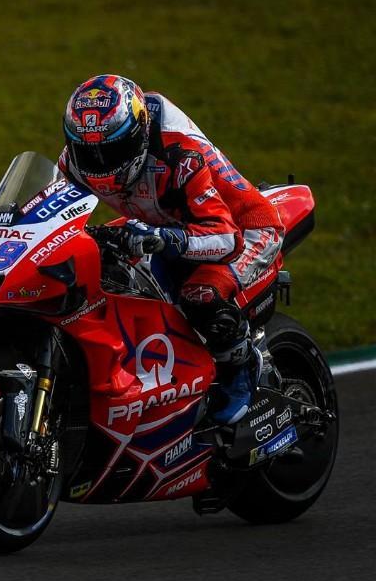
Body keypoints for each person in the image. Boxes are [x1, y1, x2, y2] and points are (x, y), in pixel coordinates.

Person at [57, 74, 283, 425]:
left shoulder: (179, 156)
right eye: (88, 151)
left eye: (110, 151)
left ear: (138, 138)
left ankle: (242, 365)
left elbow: (226, 239)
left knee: (199, 295)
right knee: (114, 277)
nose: (99, 163)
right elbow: (54, 215)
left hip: (245, 228)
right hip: (165, 222)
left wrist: (169, 240)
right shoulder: (74, 160)